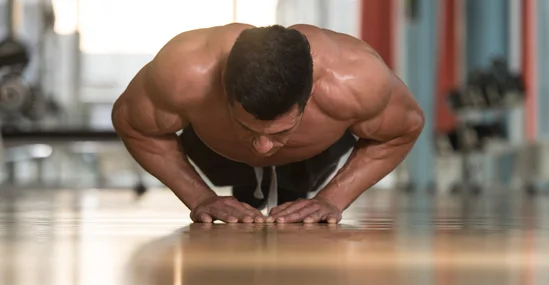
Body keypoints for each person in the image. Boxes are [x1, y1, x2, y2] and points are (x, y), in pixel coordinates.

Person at [111, 23, 424, 224]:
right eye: (247, 128)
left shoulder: (354, 79)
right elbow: (133, 123)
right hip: (215, 152)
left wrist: (333, 199)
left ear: (311, 92)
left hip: (312, 157)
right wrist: (200, 198)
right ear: (222, 83)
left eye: (281, 132)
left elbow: (403, 129)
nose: (262, 149)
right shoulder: (186, 71)